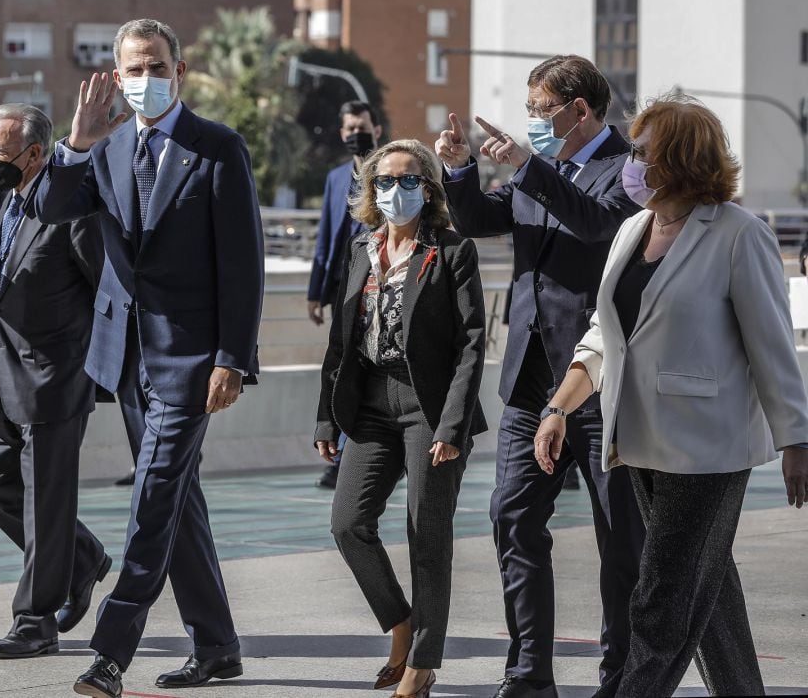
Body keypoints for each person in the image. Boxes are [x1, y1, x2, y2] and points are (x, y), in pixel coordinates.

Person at [533, 93, 808, 698]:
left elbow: (772, 345)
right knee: (706, 589)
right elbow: (604, 337)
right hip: (640, 443)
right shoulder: (634, 228)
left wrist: (796, 439)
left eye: (642, 152)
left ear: (681, 158)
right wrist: (559, 406)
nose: (630, 163)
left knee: (661, 602)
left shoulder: (740, 234)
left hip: (708, 449)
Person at [31, 19, 263, 698]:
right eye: (131, 68)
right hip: (124, 357)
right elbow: (48, 206)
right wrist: (75, 141)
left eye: (155, 65)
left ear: (179, 70)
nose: (143, 79)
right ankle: (218, 646)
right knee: (179, 501)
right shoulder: (106, 150)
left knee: (151, 501)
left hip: (191, 359)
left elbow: (243, 266)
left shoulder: (218, 148)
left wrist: (232, 357)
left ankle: (109, 653)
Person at [435, 55, 644, 698]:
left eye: (539, 111)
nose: (531, 124)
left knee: (621, 540)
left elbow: (596, 224)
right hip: (529, 380)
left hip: (596, 381)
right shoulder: (542, 170)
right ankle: (529, 672)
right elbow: (476, 222)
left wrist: (528, 166)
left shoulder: (633, 168)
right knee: (513, 518)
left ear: (580, 110)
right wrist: (459, 168)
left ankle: (623, 674)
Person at [316, 139, 487, 698]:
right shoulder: (362, 248)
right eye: (384, 181)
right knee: (348, 524)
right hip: (369, 405)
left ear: (430, 189)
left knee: (427, 535)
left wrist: (452, 427)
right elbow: (341, 340)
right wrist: (326, 420)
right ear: (370, 190)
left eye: (408, 180)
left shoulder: (453, 251)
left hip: (429, 407)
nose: (395, 190)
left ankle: (423, 663)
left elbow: (471, 345)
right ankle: (402, 623)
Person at [0, 103, 112, 659]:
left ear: (35, 154)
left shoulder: (74, 210)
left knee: (45, 503)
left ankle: (35, 620)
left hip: (54, 379)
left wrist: (92, 366)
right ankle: (83, 559)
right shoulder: (2, 198)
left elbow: (106, 289)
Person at [308, 100, 383, 491]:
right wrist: (315, 293)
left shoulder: (391, 174)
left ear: (377, 130)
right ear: (342, 133)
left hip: (379, 290)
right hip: (342, 291)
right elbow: (325, 239)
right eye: (349, 127)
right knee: (339, 373)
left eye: (362, 126)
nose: (356, 133)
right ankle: (336, 458)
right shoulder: (337, 177)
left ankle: (368, 457)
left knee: (370, 373)